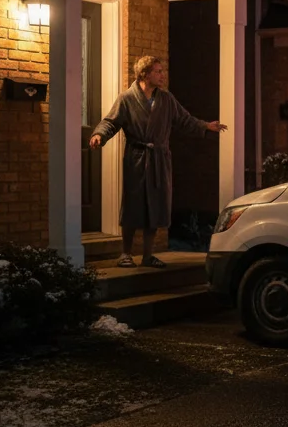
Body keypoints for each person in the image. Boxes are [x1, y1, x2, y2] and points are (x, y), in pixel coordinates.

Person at [90, 55, 226, 269]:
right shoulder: (126, 99)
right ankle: (125, 253)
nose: (162, 75)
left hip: (159, 160)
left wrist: (205, 126)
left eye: (162, 71)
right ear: (144, 74)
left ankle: (147, 255)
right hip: (137, 158)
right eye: (158, 71)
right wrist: (99, 135)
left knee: (155, 204)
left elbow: (184, 119)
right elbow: (111, 121)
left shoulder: (166, 99)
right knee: (133, 204)